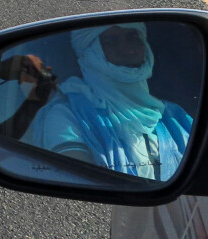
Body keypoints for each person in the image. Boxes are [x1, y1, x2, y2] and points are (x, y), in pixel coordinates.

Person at [25, 23, 193, 181]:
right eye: (110, 42)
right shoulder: (65, 115)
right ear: (91, 53)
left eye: (132, 37)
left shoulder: (175, 117)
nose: (126, 50)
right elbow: (77, 181)